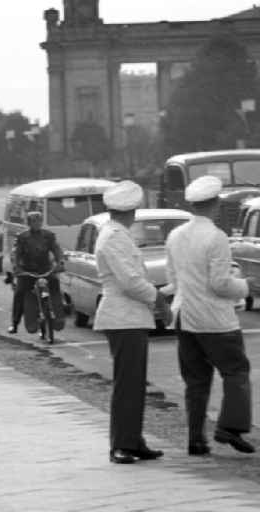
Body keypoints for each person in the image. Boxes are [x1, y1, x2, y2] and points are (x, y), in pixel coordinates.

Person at [165, 175, 255, 456]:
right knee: (236, 371)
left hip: (184, 314)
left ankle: (195, 438)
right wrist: (244, 286)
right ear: (215, 205)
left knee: (196, 380)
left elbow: (172, 279)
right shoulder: (216, 237)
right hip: (215, 319)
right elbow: (220, 283)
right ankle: (230, 426)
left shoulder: (175, 235)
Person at [93, 180, 170, 464]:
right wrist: (158, 299)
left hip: (129, 317)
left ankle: (133, 439)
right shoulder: (114, 237)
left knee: (135, 383)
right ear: (133, 211)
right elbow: (130, 282)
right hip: (123, 317)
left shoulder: (116, 234)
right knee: (128, 383)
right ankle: (122, 445)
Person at [8, 210, 65, 335]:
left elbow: (56, 249)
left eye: (39, 221)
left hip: (45, 269)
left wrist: (60, 262)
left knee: (55, 284)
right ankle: (14, 323)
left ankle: (60, 313)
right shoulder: (22, 237)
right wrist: (16, 267)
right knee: (19, 293)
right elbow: (16, 254)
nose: (37, 223)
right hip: (27, 271)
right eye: (34, 221)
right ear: (29, 223)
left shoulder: (49, 235)